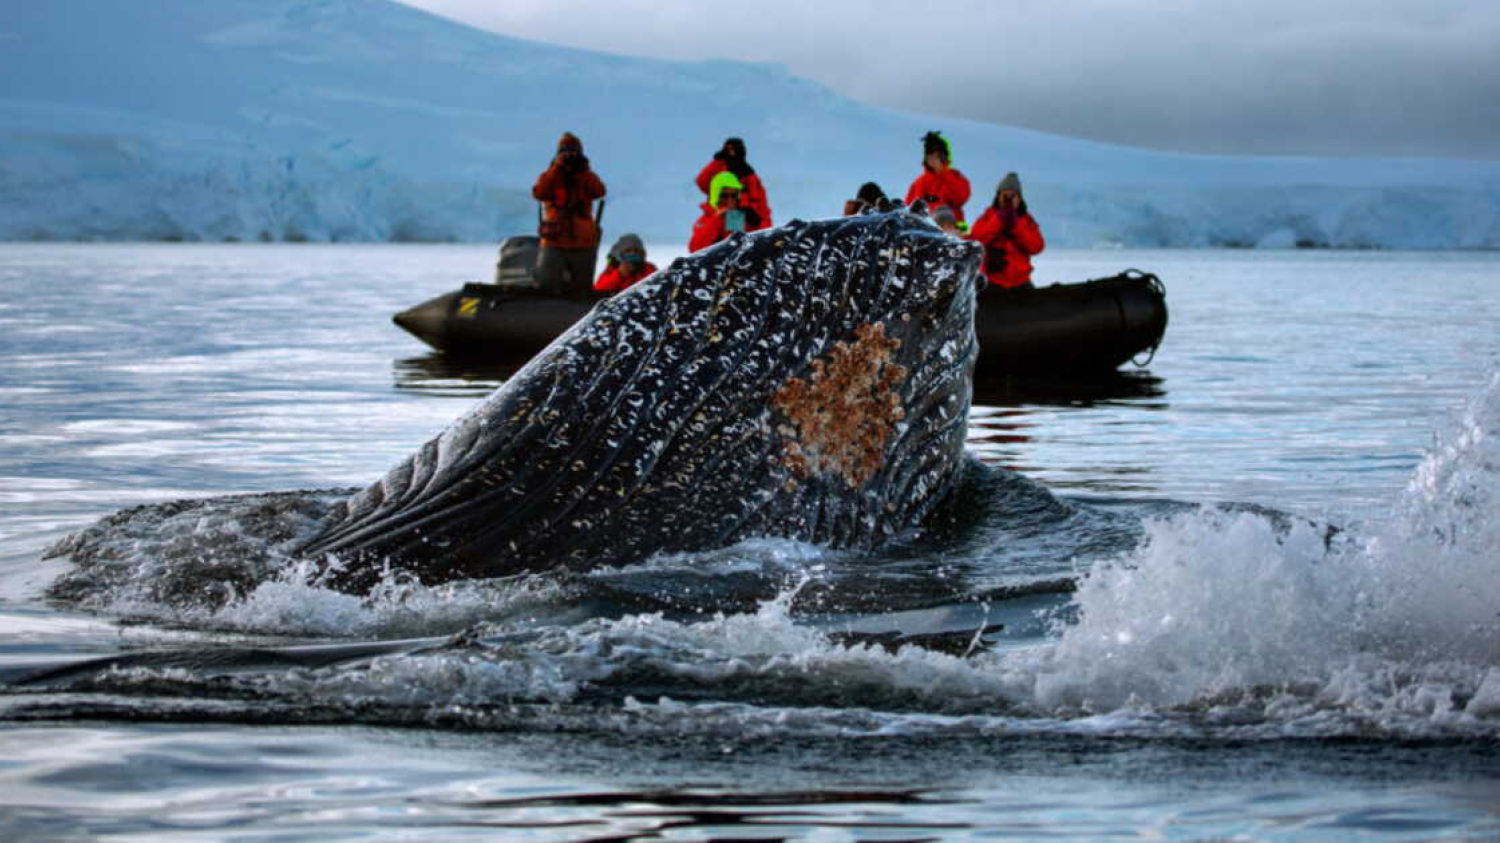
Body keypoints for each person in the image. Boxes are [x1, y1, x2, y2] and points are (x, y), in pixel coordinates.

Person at [532, 132, 606, 298]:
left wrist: (584, 170)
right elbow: (539, 192)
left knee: (582, 289)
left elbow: (599, 191)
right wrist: (557, 168)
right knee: (546, 285)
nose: (570, 155)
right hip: (555, 239)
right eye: (565, 152)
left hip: (583, 241)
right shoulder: (550, 175)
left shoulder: (586, 175)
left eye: (573, 151)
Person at [968, 172, 1045, 289]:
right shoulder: (987, 217)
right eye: (1005, 195)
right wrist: (998, 219)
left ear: (1019, 199)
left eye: (1013, 195)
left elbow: (1036, 247)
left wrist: (1016, 226)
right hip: (993, 281)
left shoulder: (1027, 220)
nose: (1009, 199)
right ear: (998, 197)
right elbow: (977, 241)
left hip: (1021, 281)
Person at [695, 137, 772, 231]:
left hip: (747, 223)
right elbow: (702, 182)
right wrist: (717, 162)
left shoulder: (751, 177)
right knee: (732, 230)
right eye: (729, 149)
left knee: (736, 231)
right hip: (721, 220)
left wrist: (764, 228)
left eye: (735, 149)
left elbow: (763, 209)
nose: (732, 152)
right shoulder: (719, 171)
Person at [904, 131, 971, 222]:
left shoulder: (956, 178)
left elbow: (960, 199)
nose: (932, 160)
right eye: (929, 156)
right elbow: (908, 208)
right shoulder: (919, 182)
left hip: (949, 226)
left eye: (936, 157)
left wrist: (944, 173)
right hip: (924, 226)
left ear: (943, 157)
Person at [689, 171, 750, 252]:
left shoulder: (739, 217)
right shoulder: (705, 220)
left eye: (734, 195)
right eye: (724, 195)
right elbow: (695, 249)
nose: (730, 200)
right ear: (715, 196)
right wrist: (717, 219)